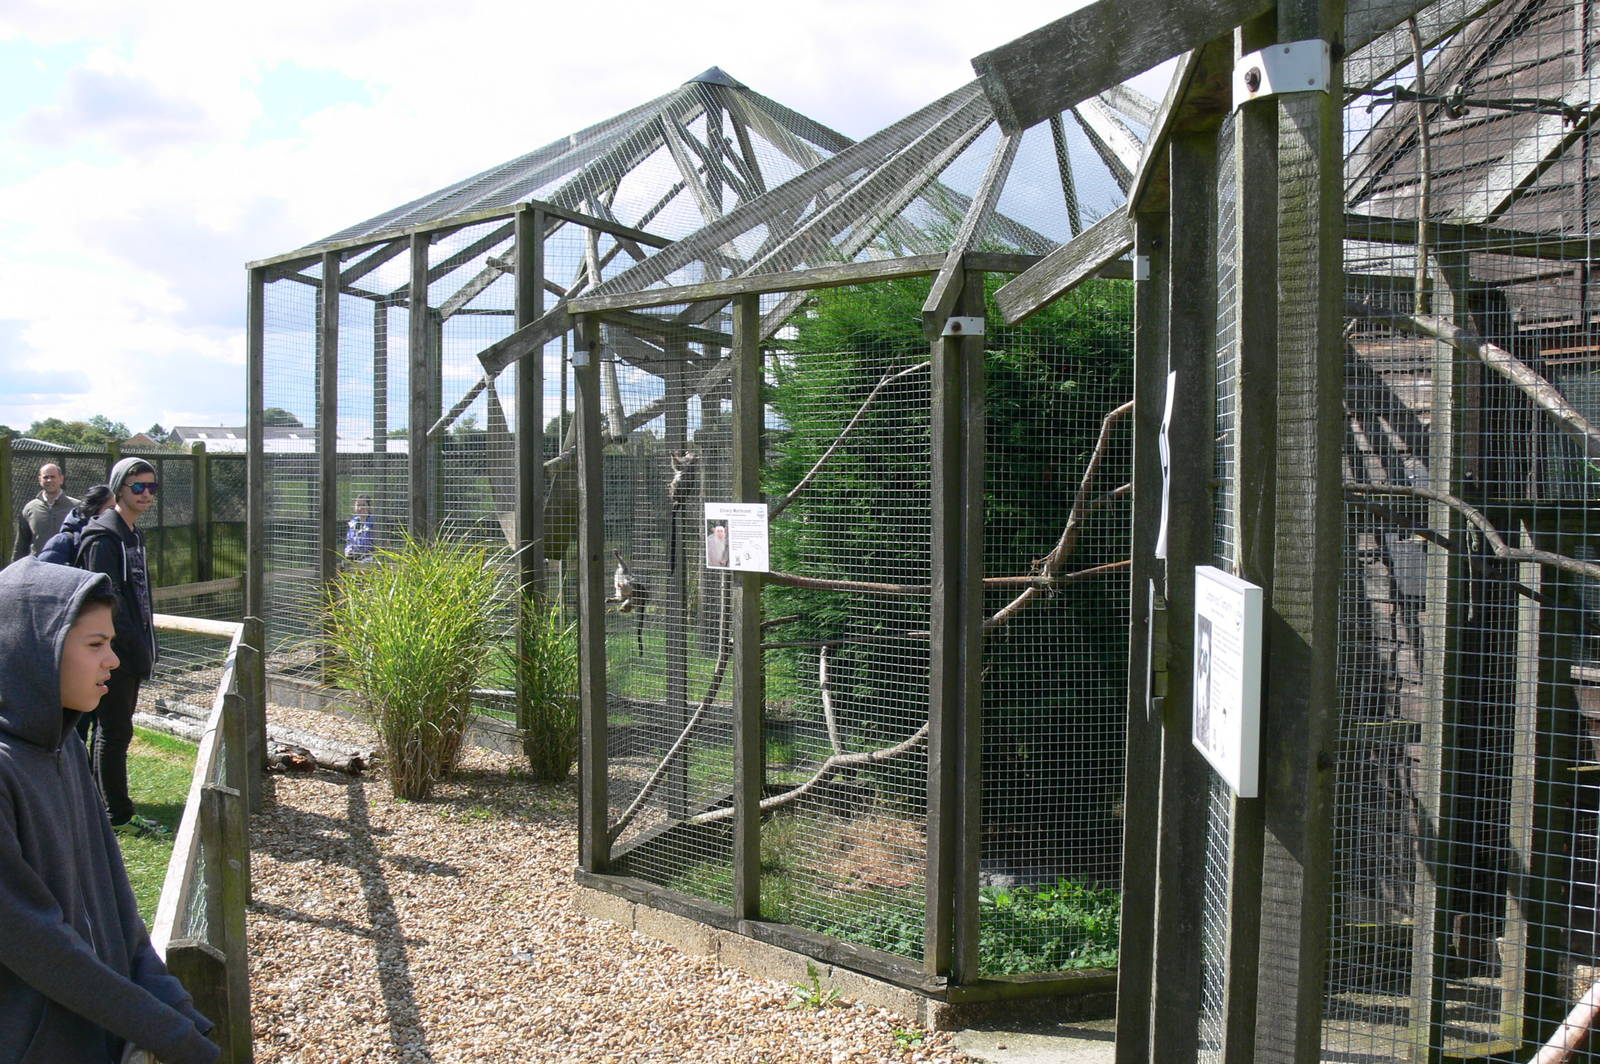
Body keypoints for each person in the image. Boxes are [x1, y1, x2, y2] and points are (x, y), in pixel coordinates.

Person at [0, 558, 219, 1063]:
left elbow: (116, 893)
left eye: (111, 643)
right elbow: (35, 942)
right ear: (34, 649)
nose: (114, 661)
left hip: (102, 1036)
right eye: (95, 645)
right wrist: (166, 1031)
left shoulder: (66, 746)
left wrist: (173, 1004)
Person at [77, 458, 164, 837]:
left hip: (131, 648)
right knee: (113, 731)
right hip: (111, 653)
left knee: (114, 730)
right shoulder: (104, 537)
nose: (146, 495)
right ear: (119, 489)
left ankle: (104, 806)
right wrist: (130, 649)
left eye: (151, 488)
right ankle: (117, 815)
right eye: (138, 487)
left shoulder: (132, 534)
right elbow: (106, 602)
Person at [12, 462, 81, 561]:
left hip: (67, 568)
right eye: (45, 477)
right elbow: (21, 544)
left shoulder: (76, 507)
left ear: (61, 479)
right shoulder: (30, 508)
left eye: (53, 477)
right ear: (40, 480)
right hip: (38, 567)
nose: (49, 480)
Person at [37, 485, 115, 566]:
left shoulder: (117, 540)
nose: (115, 513)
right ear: (93, 510)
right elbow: (42, 573)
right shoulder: (63, 542)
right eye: (111, 508)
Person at [344, 494, 376, 565]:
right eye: (358, 505)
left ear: (369, 507)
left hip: (371, 559)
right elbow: (349, 542)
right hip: (355, 558)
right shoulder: (352, 523)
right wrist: (348, 551)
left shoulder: (374, 523)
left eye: (363, 505)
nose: (360, 508)